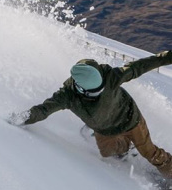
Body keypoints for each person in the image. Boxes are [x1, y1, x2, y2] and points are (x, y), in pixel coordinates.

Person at [9, 51, 172, 179]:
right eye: (95, 93)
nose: (99, 93)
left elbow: (141, 66)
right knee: (108, 153)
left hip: (130, 120)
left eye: (101, 89)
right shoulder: (67, 96)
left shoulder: (110, 77)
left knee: (150, 153)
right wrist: (25, 117)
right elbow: (45, 109)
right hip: (104, 130)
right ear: (81, 89)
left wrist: (168, 56)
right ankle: (127, 148)